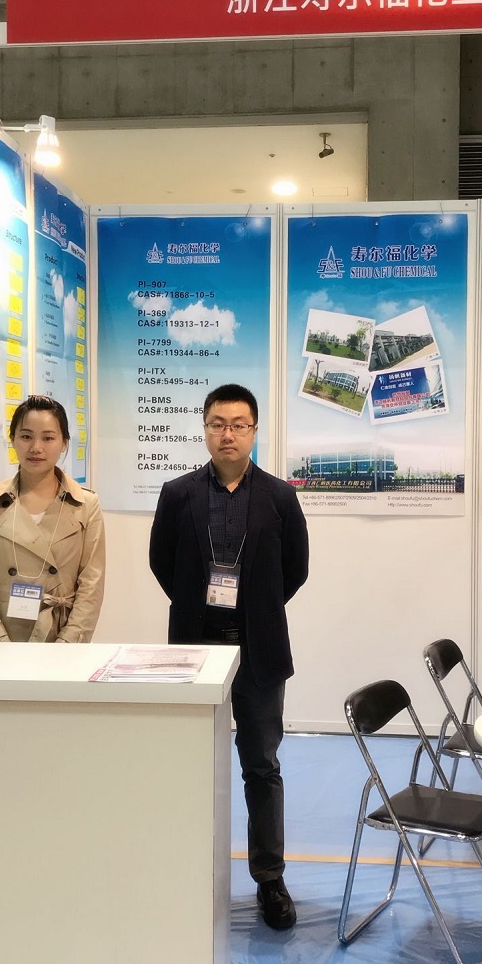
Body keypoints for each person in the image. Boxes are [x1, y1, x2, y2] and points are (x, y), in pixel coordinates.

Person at [149, 383, 309, 930]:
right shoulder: (178, 494)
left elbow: (296, 570)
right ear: (205, 429)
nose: (228, 434)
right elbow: (162, 564)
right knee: (194, 763)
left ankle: (270, 878)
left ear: (254, 431)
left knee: (261, 765)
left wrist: (255, 610)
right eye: (218, 424)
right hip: (195, 648)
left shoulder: (280, 497)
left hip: (258, 649)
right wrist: (202, 610)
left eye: (239, 425)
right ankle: (191, 871)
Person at [0, 394, 106, 643]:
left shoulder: (85, 504)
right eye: (26, 436)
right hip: (3, 637)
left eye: (48, 438)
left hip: (60, 637)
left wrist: (69, 642)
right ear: (13, 440)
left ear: (64, 443)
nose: (36, 447)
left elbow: (92, 584)